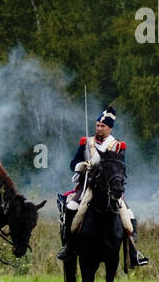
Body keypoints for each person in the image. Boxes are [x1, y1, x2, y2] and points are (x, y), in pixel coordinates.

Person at [58, 105, 149, 268]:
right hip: (88, 187)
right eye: (97, 125)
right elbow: (73, 163)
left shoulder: (117, 146)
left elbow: (121, 167)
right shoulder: (86, 143)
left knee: (129, 216)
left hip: (110, 190)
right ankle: (68, 246)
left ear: (110, 128)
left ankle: (134, 252)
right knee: (71, 207)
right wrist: (80, 166)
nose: (99, 128)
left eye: (102, 126)